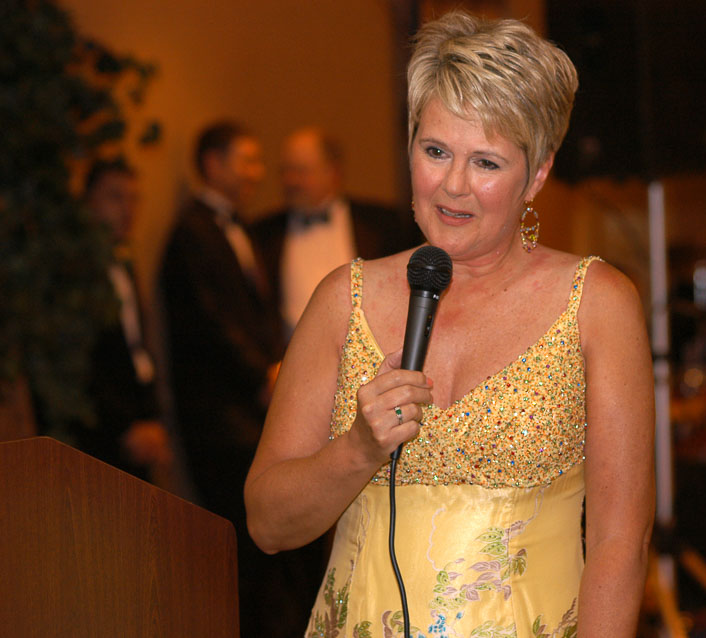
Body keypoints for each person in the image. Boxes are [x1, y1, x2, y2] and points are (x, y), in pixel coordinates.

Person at [245, 11, 655, 638]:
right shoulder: (342, 300)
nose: (453, 185)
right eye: (435, 151)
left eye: (486, 162)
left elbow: (619, 543)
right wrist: (357, 450)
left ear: (537, 175)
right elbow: (268, 525)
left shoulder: (597, 304)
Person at [159, 121, 288, 637]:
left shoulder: (242, 227)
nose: (258, 172)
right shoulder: (191, 233)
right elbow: (208, 323)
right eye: (247, 160)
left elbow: (257, 313)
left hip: (250, 411)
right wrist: (262, 373)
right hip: (220, 419)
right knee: (239, 545)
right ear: (213, 164)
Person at [251, 127, 422, 336]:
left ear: (332, 172)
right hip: (290, 352)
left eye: (301, 171)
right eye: (285, 171)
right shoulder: (262, 233)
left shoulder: (382, 223)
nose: (291, 181)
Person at [69, 158, 172, 481]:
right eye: (115, 197)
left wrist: (152, 418)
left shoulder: (125, 263)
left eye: (133, 199)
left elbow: (137, 352)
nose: (127, 209)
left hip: (136, 423)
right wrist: (124, 426)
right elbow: (82, 361)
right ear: (88, 202)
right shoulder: (76, 270)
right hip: (95, 436)